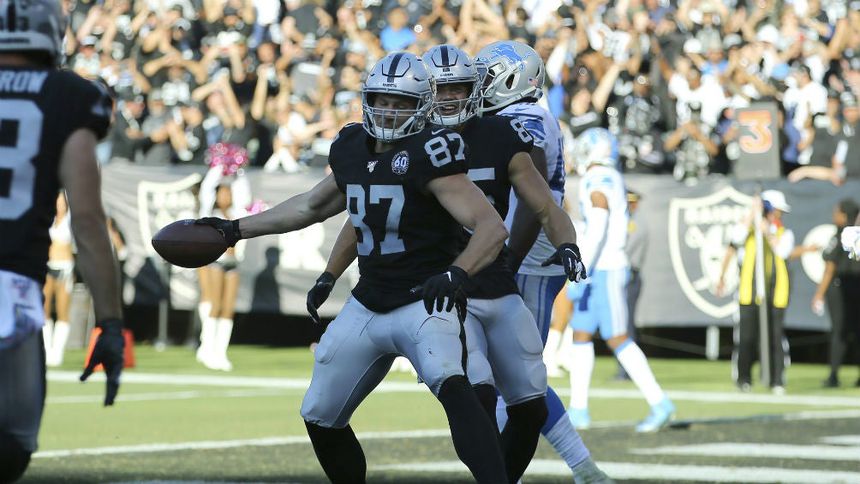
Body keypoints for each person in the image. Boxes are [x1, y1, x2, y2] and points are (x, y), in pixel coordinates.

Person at [197, 52, 509, 483]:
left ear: (422, 105)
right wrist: (235, 229)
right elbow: (312, 206)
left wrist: (456, 273)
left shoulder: (431, 151)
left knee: (451, 383)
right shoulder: (351, 146)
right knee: (320, 414)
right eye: (382, 100)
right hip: (368, 301)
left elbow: (492, 228)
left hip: (422, 301)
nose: (389, 111)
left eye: (401, 102)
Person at [307, 44, 603, 483]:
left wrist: (567, 244)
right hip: (443, 288)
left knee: (530, 405)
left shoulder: (501, 134)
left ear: (475, 90)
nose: (448, 98)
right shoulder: (410, 142)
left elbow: (542, 204)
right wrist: (330, 273)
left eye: (458, 89)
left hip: (494, 278)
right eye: (440, 90)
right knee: (475, 393)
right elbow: (364, 213)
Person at [474, 40, 611, 478]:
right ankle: (582, 469)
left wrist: (510, 260)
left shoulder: (528, 118)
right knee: (509, 377)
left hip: (529, 256)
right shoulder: (516, 116)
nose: (479, 85)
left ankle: (525, 472)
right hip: (518, 253)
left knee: (518, 381)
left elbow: (533, 203)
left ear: (514, 80)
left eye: (487, 77)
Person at [0, 1, 125, 480]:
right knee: (10, 447)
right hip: (11, 291)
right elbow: (87, 223)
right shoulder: (69, 95)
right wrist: (109, 324)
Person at [565, 127, 675, 432]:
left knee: (617, 337)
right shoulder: (607, 175)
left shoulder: (598, 178)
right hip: (598, 267)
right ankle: (578, 408)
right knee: (581, 334)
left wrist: (581, 268)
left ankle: (659, 402)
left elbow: (599, 222)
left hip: (606, 267)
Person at [717, 190, 795, 394]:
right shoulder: (749, 229)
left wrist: (768, 232)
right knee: (746, 337)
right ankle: (744, 378)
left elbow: (783, 251)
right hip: (748, 292)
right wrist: (753, 213)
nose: (779, 214)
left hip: (773, 294)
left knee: (774, 338)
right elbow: (735, 237)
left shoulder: (783, 232)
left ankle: (776, 379)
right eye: (776, 210)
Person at [195, 155, 251, 371]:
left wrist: (238, 168)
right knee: (215, 305)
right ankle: (207, 349)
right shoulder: (210, 214)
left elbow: (244, 194)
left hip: (233, 263)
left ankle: (220, 352)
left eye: (229, 192)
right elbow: (207, 188)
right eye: (222, 192)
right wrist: (220, 165)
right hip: (216, 263)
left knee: (228, 309)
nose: (226, 195)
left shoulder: (237, 214)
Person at [813, 199, 860, 387]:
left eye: (837, 212)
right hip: (857, 286)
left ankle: (833, 375)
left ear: (844, 215)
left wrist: (819, 293)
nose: (834, 216)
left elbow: (830, 267)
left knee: (839, 332)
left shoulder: (843, 234)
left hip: (841, 288)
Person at [615, 189, 648, 381]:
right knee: (621, 322)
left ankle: (627, 369)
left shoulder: (635, 224)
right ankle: (624, 368)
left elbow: (624, 250)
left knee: (625, 323)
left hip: (630, 275)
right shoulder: (627, 222)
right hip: (625, 274)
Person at [42, 192, 74, 367]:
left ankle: (58, 352)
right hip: (48, 266)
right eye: (57, 202)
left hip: (64, 269)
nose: (59, 205)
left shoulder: (71, 220)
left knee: (62, 310)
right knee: (44, 308)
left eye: (62, 202)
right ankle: (47, 350)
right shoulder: (49, 218)